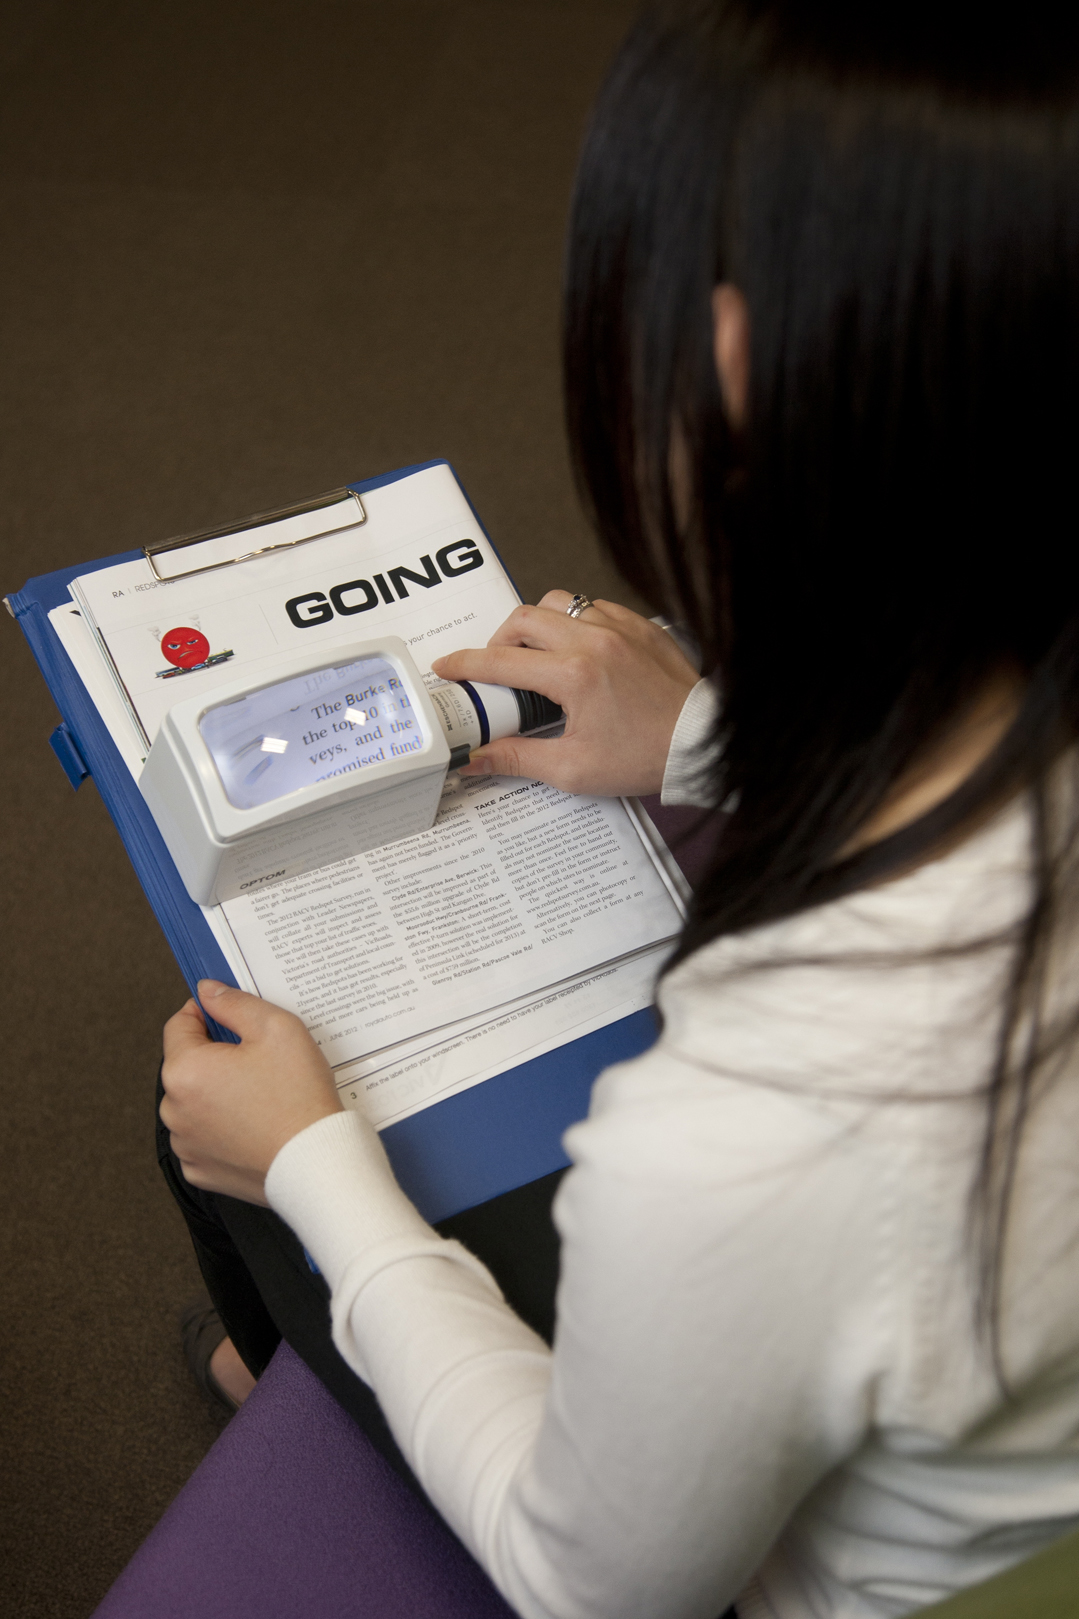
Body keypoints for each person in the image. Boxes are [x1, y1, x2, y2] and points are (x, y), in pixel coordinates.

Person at [158, 3, 1079, 1615]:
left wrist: (315, 1172)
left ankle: (278, 1360)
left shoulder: (769, 1117)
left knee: (216, 1097)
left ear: (725, 371)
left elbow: (597, 1584)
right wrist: (709, 738)